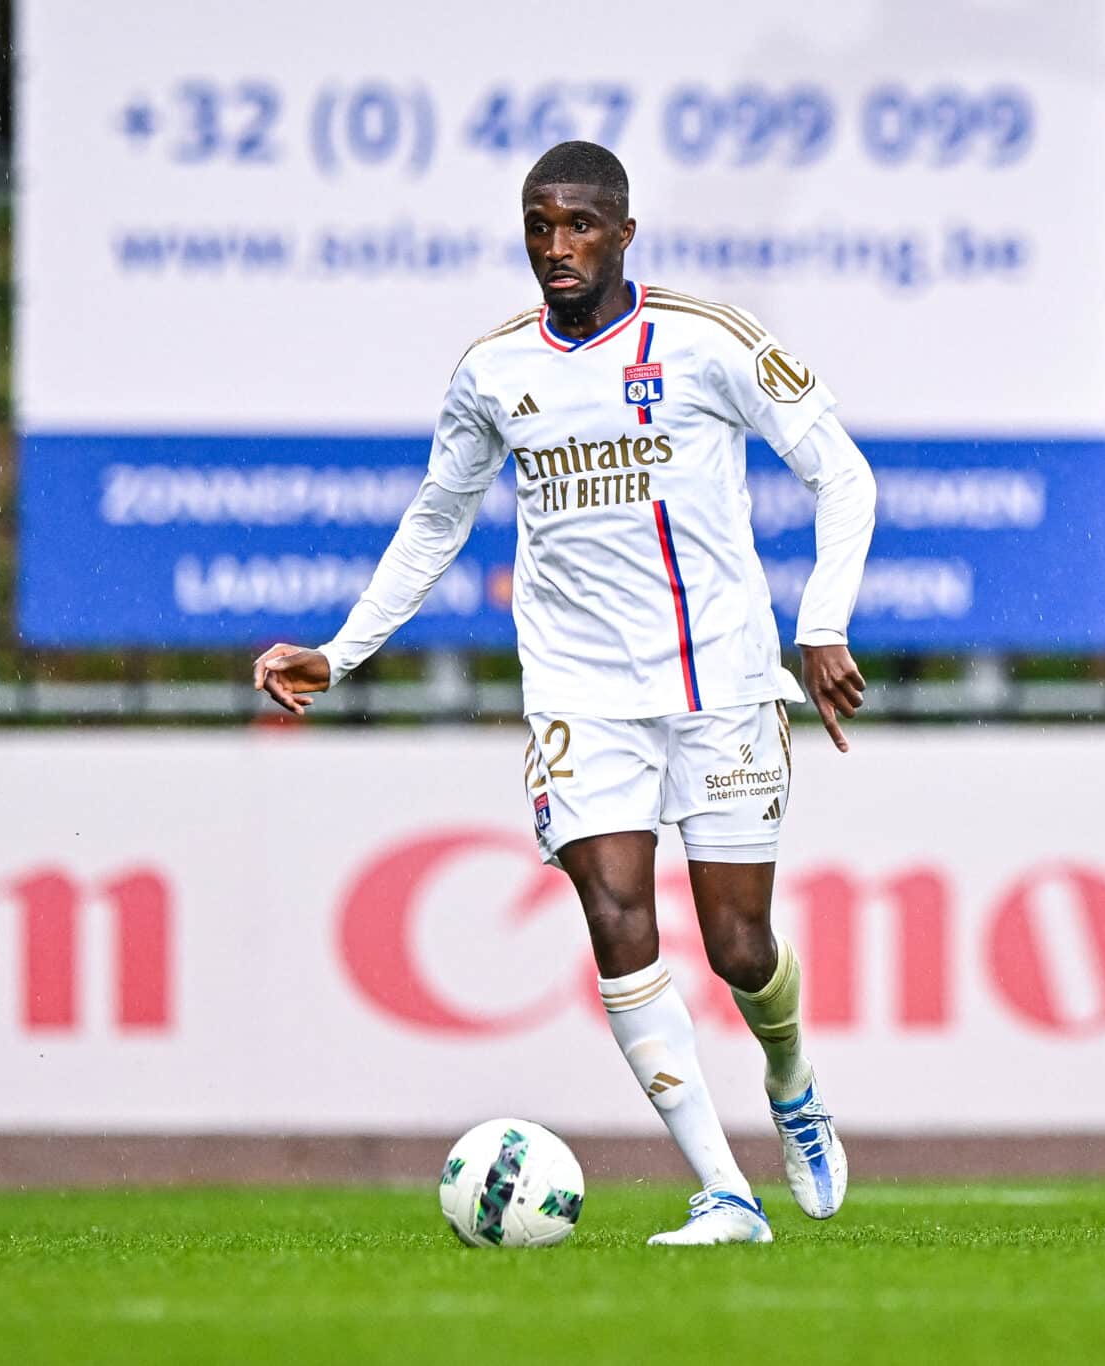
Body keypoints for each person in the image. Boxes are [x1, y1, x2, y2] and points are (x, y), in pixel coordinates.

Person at [252, 141, 875, 1246]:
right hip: (581, 697)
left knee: (737, 947)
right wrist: (341, 651)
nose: (556, 247)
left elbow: (841, 471)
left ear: (623, 231)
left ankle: (789, 1079)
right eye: (538, 226)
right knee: (614, 913)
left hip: (722, 682)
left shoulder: (704, 341)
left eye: (578, 225)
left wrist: (819, 623)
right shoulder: (493, 371)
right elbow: (435, 518)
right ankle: (723, 1190)